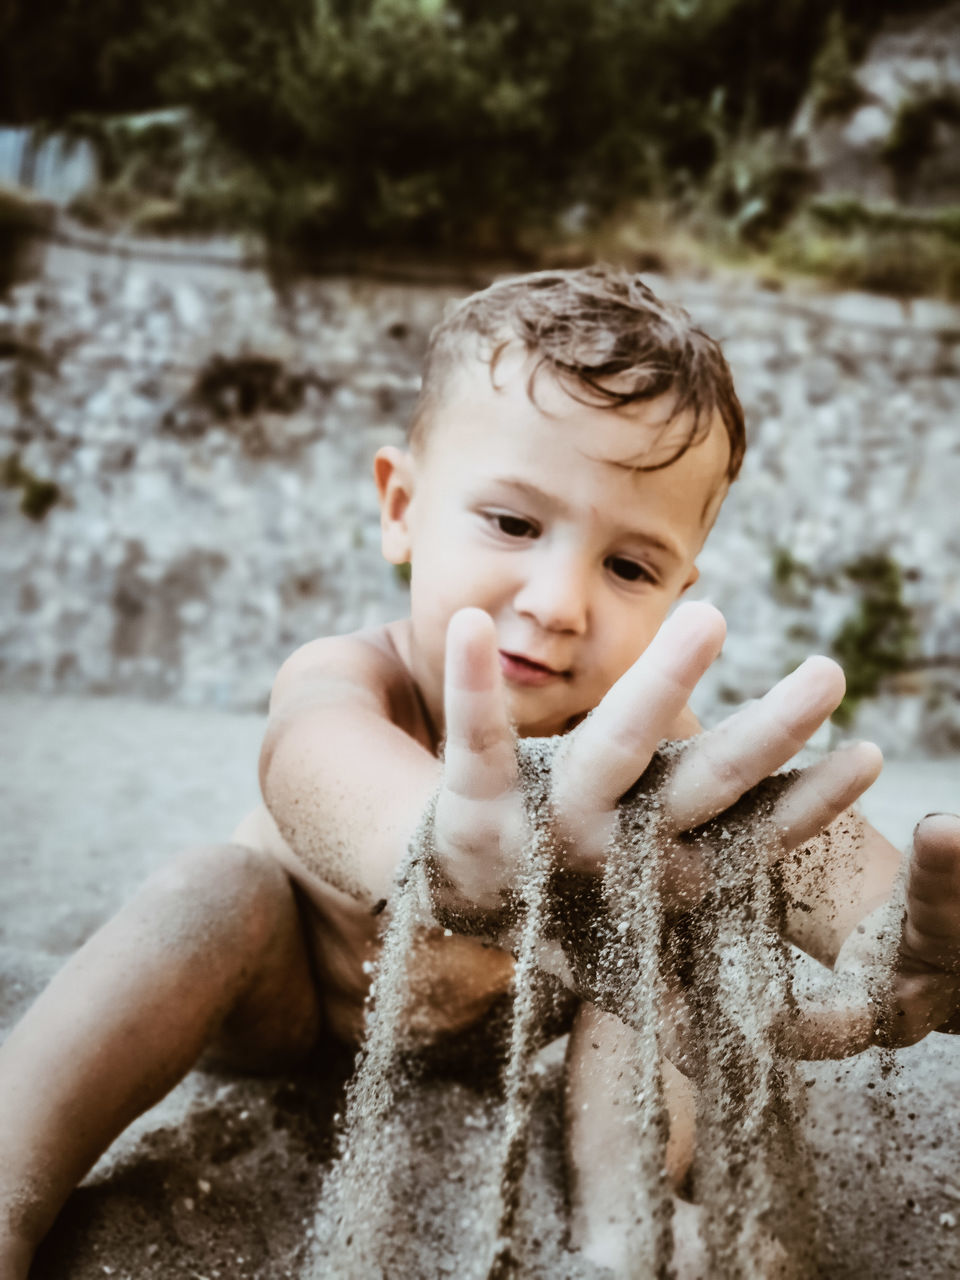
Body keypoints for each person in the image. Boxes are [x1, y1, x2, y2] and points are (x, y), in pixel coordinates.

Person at [0, 266, 957, 1279]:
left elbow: (770, 832)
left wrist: (895, 928)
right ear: (402, 507)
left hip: (515, 1019)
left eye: (629, 566)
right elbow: (312, 763)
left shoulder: (634, 734)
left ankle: (624, 1214)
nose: (556, 601)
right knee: (208, 890)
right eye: (512, 522)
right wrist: (437, 843)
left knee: (666, 925)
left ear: (682, 587)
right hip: (296, 999)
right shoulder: (350, 672)